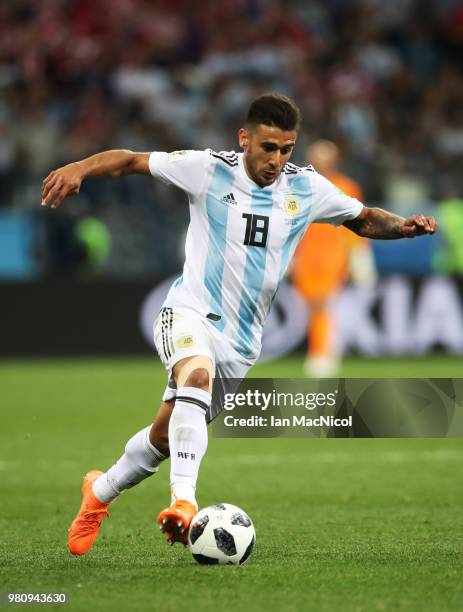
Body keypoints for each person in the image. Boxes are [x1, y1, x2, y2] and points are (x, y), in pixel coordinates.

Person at [41, 93, 437, 555]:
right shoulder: (207, 169)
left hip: (243, 341)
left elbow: (364, 219)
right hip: (188, 310)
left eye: (287, 148)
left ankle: (99, 494)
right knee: (196, 377)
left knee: (165, 436)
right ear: (245, 138)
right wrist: (78, 168)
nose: (277, 159)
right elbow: (130, 160)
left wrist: (403, 227)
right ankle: (184, 503)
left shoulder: (306, 188)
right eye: (268, 147)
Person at [291, 140, 376, 377]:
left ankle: (321, 355)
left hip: (332, 255)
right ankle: (323, 350)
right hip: (305, 255)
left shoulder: (347, 186)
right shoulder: (298, 186)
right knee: (310, 306)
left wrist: (360, 257)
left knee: (321, 302)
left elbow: (359, 224)